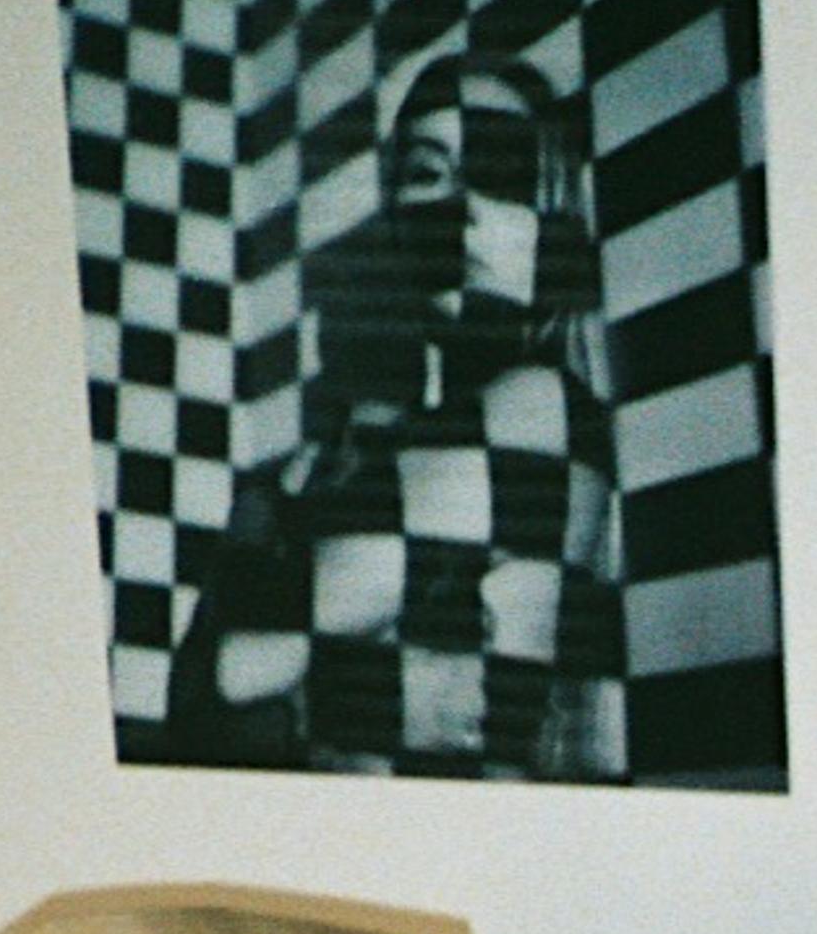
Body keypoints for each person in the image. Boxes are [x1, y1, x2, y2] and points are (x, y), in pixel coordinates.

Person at [162, 47, 626, 781]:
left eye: (501, 175)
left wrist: (278, 514)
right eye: (427, 174)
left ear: (557, 212)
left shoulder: (542, 406)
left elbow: (236, 665)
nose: (458, 209)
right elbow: (214, 685)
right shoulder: (386, 442)